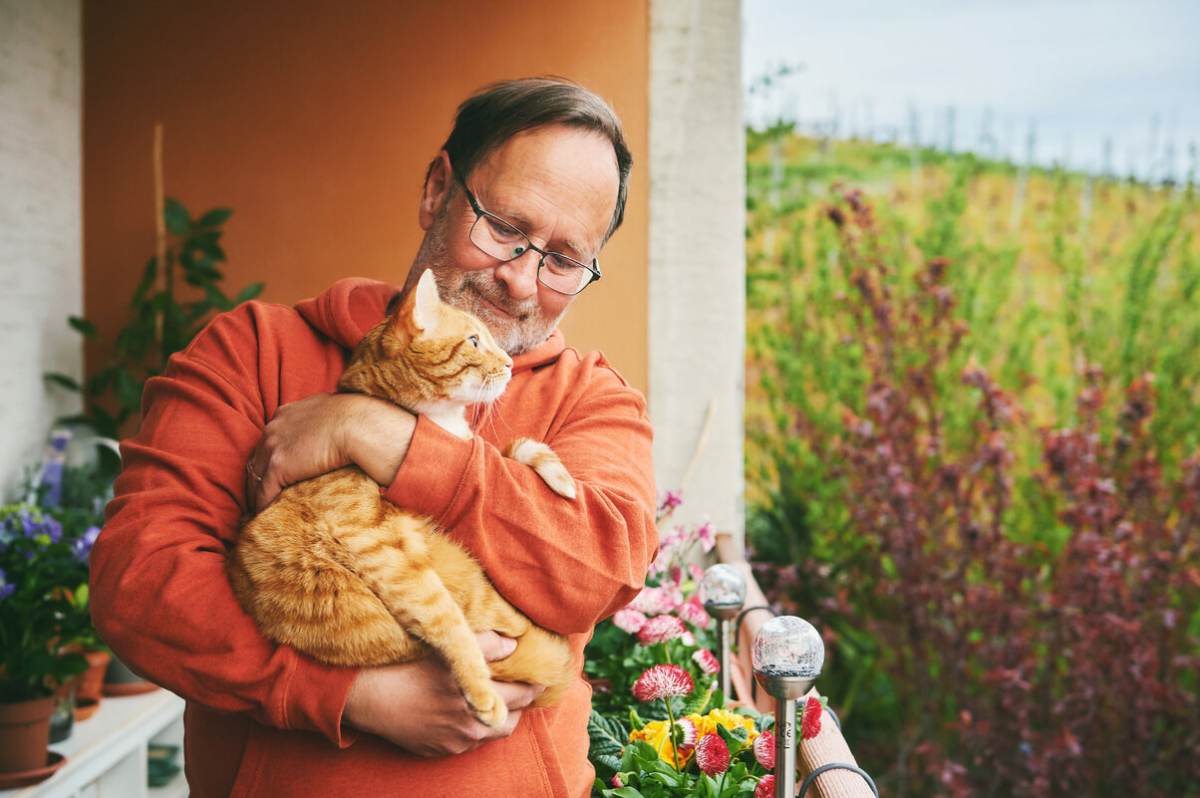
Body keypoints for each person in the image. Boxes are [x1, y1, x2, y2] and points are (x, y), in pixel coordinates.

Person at [89, 78, 658, 798]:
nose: (520, 280)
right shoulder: (250, 351)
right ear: (437, 191)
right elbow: (140, 581)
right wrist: (349, 694)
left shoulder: (591, 400)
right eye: (505, 228)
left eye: (565, 259)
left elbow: (600, 570)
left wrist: (379, 435)